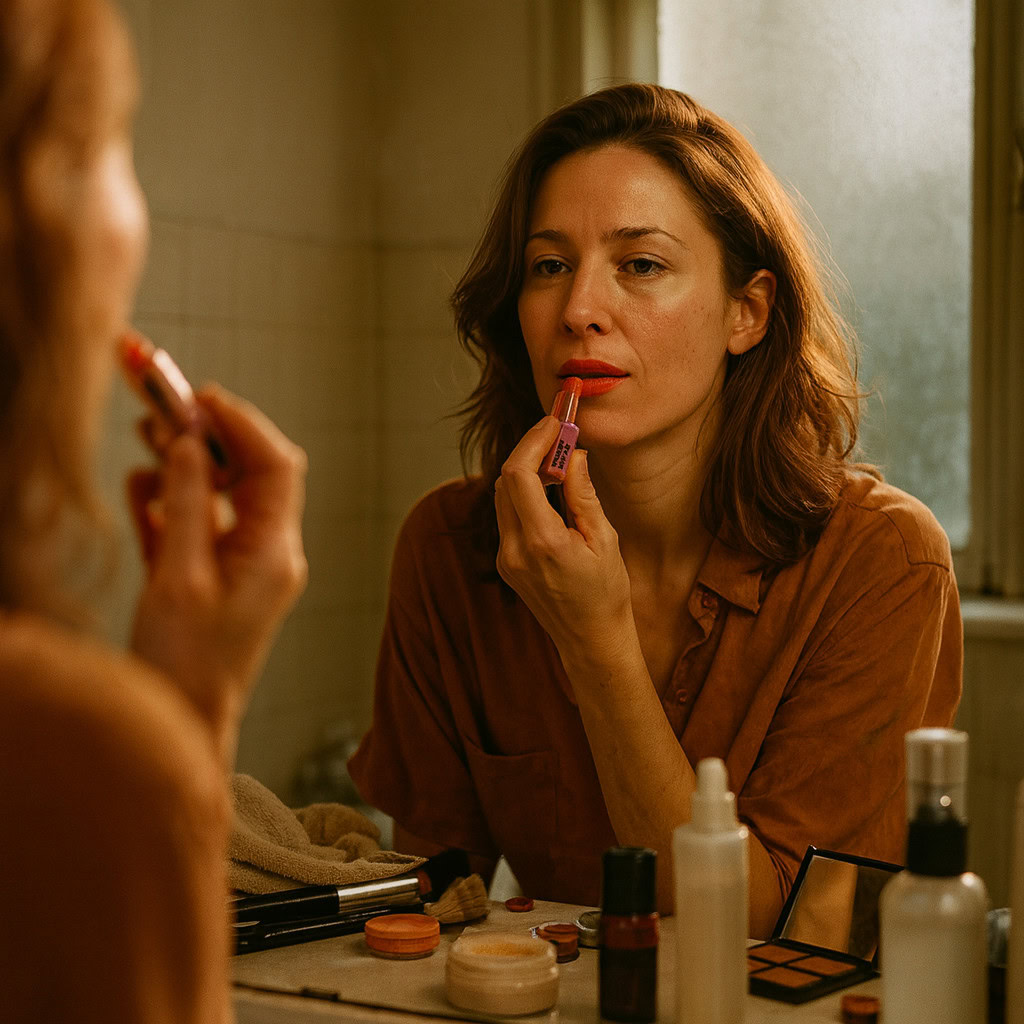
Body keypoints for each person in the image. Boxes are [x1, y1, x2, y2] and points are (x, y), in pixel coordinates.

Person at [349, 83, 961, 936]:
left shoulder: (881, 562)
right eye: (549, 267)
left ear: (746, 312)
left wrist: (595, 643)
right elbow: (432, 905)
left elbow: (774, 933)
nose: (578, 311)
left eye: (640, 265)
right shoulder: (450, 550)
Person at [0, 1, 307, 1020]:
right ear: (33, 226)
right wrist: (168, 739)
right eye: (115, 140)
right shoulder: (74, 763)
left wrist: (179, 711)